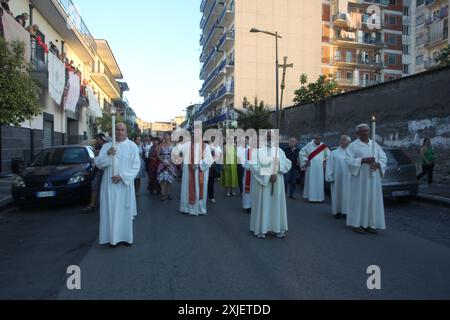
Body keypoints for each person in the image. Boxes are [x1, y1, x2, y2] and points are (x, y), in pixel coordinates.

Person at [95, 123, 140, 247]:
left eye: (122, 130)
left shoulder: (132, 146)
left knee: (124, 212)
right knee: (110, 211)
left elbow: (136, 166)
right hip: (109, 185)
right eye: (118, 130)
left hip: (124, 185)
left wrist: (122, 177)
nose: (120, 132)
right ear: (114, 132)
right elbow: (98, 164)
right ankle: (111, 239)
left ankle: (126, 238)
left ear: (126, 132)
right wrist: (108, 154)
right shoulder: (107, 146)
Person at [345, 124, 387, 234]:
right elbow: (348, 161)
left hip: (373, 179)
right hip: (360, 180)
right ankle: (356, 224)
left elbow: (383, 157)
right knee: (359, 200)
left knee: (372, 200)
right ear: (357, 133)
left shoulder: (375, 145)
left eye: (367, 131)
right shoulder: (353, 146)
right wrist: (363, 160)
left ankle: (370, 224)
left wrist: (378, 164)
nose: (365, 133)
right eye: (362, 131)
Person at [250, 131, 292, 239]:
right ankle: (262, 229)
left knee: (276, 205)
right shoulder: (258, 151)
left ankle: (277, 228)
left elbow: (287, 163)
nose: (269, 138)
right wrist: (268, 175)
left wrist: (277, 169)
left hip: (277, 183)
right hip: (263, 184)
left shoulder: (280, 151)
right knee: (264, 204)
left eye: (271, 137)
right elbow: (254, 167)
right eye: (268, 136)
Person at [176, 133, 213, 216]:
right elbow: (179, 152)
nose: (194, 137)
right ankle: (187, 208)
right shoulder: (186, 145)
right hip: (188, 173)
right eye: (193, 135)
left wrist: (199, 164)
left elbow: (209, 160)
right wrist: (180, 154)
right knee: (187, 189)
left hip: (199, 172)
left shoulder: (205, 146)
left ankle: (199, 209)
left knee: (199, 189)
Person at [326, 135, 352, 219]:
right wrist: (329, 175)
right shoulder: (334, 153)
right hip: (337, 178)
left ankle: (346, 212)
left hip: (349, 178)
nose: (341, 141)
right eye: (341, 140)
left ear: (349, 142)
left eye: (344, 140)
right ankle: (337, 211)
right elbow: (330, 165)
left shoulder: (352, 153)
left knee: (348, 195)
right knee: (337, 194)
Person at [299, 135, 329, 203]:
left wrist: (325, 160)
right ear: (314, 139)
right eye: (316, 138)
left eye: (319, 138)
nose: (317, 140)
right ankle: (310, 197)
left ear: (320, 139)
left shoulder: (323, 146)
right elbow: (301, 153)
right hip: (311, 167)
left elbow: (329, 155)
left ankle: (319, 198)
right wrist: (305, 160)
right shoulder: (309, 145)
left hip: (319, 169)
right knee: (311, 181)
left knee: (319, 182)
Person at [83, 133, 106, 212]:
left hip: (102, 170)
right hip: (98, 170)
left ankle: (94, 205)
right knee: (95, 187)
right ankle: (93, 204)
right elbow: (95, 160)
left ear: (102, 139)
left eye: (98, 139)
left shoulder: (105, 147)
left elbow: (100, 159)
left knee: (97, 187)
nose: (96, 141)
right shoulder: (97, 147)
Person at [157, 133, 177, 201]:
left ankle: (169, 193)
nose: (165, 137)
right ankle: (163, 194)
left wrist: (170, 162)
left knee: (169, 180)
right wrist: (163, 161)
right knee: (162, 179)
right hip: (162, 164)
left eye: (166, 136)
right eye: (164, 136)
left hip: (170, 164)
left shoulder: (173, 145)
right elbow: (158, 155)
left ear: (169, 137)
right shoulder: (160, 145)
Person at [208, 136, 222, 204]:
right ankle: (211, 197)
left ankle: (211, 196)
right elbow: (211, 155)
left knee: (212, 182)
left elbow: (220, 155)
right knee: (209, 181)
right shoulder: (210, 146)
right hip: (211, 165)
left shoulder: (219, 147)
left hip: (216, 165)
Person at [240, 137, 253, 213]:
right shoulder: (247, 151)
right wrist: (250, 166)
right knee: (248, 191)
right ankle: (248, 206)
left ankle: (255, 205)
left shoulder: (260, 151)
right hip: (248, 172)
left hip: (256, 174)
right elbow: (243, 162)